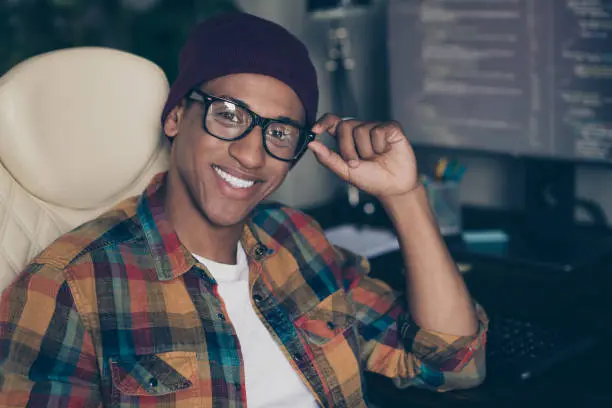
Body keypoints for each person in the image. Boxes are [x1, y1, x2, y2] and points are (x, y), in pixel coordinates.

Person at [0, 12, 487, 408]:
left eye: (279, 132)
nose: (252, 155)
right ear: (176, 117)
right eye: (229, 115)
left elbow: (453, 365)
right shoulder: (68, 286)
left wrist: (404, 196)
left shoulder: (297, 239)